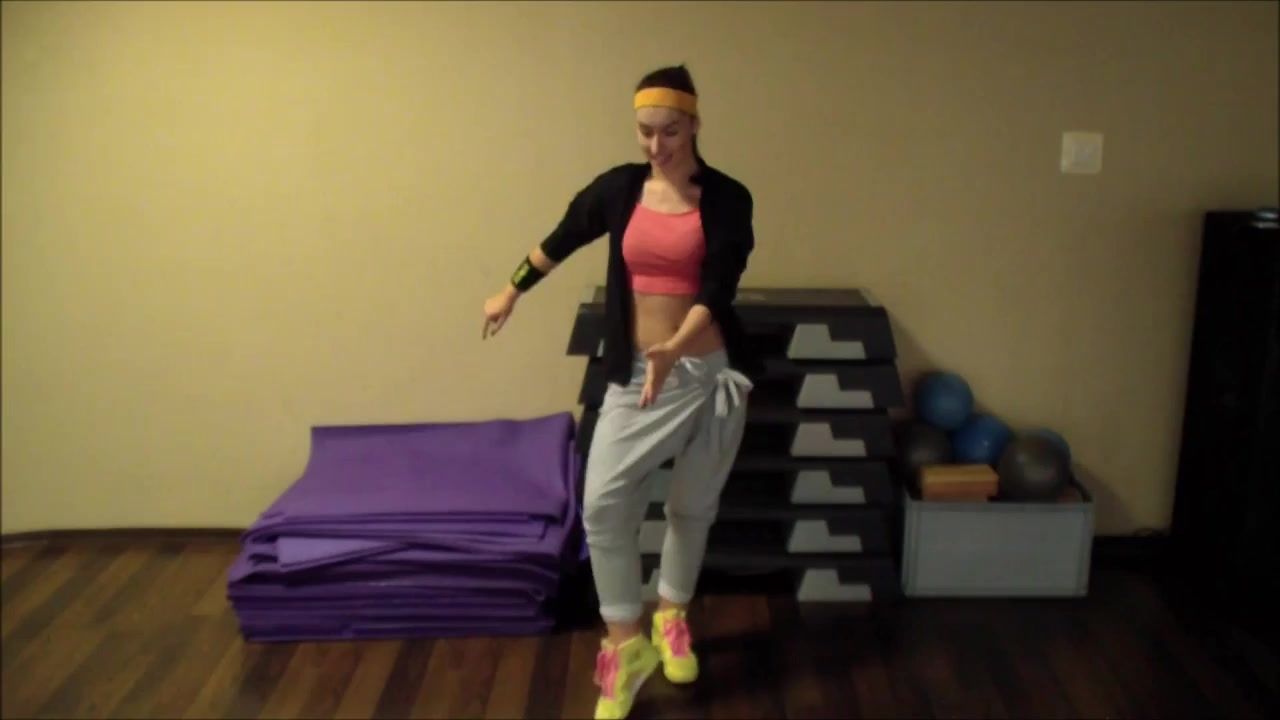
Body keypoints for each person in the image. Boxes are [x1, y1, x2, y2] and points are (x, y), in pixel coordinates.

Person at [482, 64, 759, 720]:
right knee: (603, 505)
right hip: (637, 374)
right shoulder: (619, 189)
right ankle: (626, 644)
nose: (657, 145)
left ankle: (672, 618)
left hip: (705, 373)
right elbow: (559, 239)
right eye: (646, 131)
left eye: (670, 131)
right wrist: (510, 290)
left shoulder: (728, 198)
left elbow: (719, 284)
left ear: (694, 125)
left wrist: (677, 346)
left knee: (692, 509)